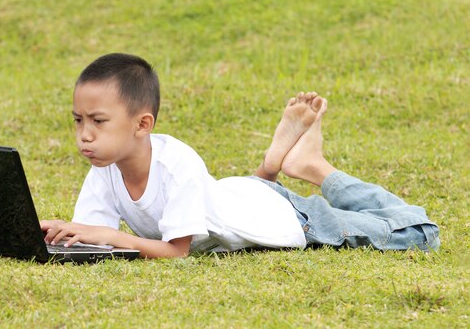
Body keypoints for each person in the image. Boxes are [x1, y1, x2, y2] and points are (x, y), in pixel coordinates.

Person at [40, 53, 440, 258]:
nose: (84, 135)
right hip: (240, 195)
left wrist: (111, 235)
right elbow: (92, 243)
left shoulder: (177, 163)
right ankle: (272, 169)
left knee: (421, 232)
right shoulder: (104, 168)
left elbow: (176, 253)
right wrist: (55, 234)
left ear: (143, 124)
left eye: (97, 121)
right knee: (254, 192)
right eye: (78, 120)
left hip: (290, 221)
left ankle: (315, 168)